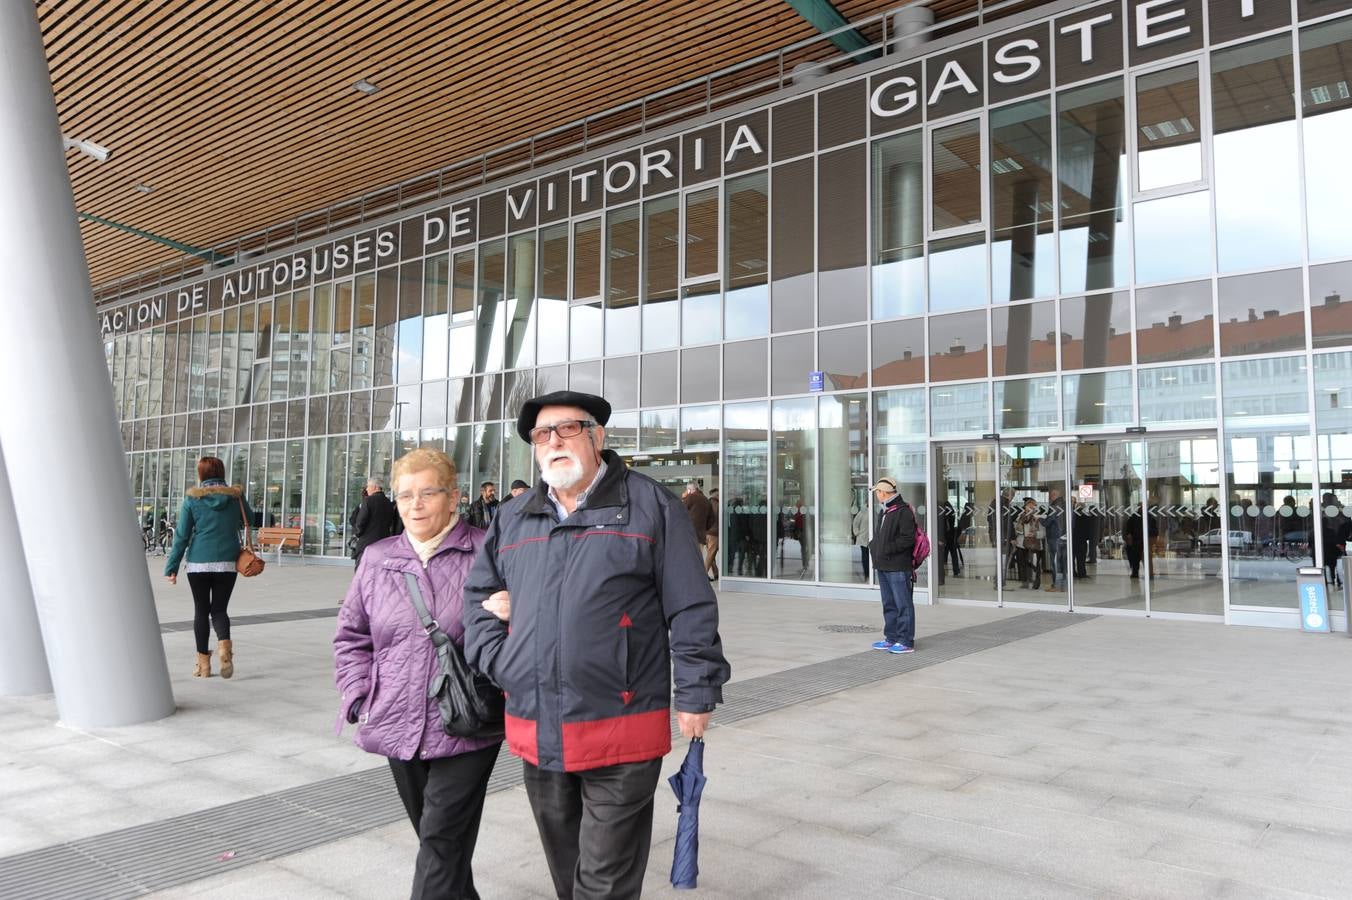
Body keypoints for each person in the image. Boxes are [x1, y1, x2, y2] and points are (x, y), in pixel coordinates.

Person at [463, 390, 730, 900]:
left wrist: (697, 690)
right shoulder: (513, 517)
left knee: (604, 883)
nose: (553, 442)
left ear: (596, 436)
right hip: (538, 724)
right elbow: (477, 600)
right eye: (542, 434)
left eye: (567, 429)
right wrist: (504, 663)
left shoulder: (651, 505)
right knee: (568, 874)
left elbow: (691, 605)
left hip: (622, 724)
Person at [334, 448, 501, 900]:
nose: (416, 505)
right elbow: (351, 636)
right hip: (396, 718)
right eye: (405, 495)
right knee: (438, 842)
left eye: (429, 492)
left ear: (454, 497)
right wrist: (359, 695)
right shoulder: (377, 558)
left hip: (468, 720)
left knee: (441, 839)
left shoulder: (487, 550)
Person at [164, 455, 253, 679]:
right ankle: (224, 647)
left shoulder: (193, 499)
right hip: (227, 563)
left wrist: (172, 567)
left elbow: (182, 536)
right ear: (222, 472)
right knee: (220, 610)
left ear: (201, 474)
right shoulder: (235, 497)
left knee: (201, 611)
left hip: (198, 564)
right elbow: (250, 520)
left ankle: (203, 666)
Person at [868, 476, 918, 654]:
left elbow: (908, 539)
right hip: (883, 564)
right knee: (889, 604)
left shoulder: (903, 511)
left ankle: (905, 641)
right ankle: (891, 638)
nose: (876, 495)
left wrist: (886, 549)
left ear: (883, 493)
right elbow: (879, 537)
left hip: (898, 566)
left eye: (877, 492)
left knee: (903, 604)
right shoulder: (885, 511)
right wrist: (875, 548)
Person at [352, 477, 398, 567]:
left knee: (362, 570)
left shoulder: (368, 501)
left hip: (366, 544)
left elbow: (360, 522)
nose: (366, 489)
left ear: (376, 487)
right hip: (383, 543)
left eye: (368, 486)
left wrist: (357, 534)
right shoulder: (389, 503)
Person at [682, 481, 717, 583]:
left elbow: (680, 512)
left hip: (689, 533)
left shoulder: (690, 498)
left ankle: (691, 578)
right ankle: (698, 577)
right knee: (697, 556)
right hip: (701, 535)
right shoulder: (706, 500)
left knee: (689, 556)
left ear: (690, 489)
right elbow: (711, 519)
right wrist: (704, 529)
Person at [1043, 488, 1066, 592]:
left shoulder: (1054, 506)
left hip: (1054, 537)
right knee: (1063, 562)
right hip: (1064, 536)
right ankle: (1063, 585)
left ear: (1053, 495)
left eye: (1050, 495)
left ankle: (1056, 585)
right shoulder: (1066, 505)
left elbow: (1048, 522)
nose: (1049, 497)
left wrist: (1039, 519)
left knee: (1055, 562)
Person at [1015, 497, 1041, 589]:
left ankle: (1035, 582)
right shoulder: (1021, 516)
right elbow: (1016, 528)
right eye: (1028, 506)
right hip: (1021, 543)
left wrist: (1035, 534)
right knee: (1022, 563)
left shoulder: (1038, 517)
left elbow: (1042, 532)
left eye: (1032, 506)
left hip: (1033, 543)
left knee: (1034, 564)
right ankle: (1024, 582)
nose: (1029, 508)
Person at [851, 502, 870, 580]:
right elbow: (855, 523)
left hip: (873, 539)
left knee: (871, 557)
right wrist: (857, 533)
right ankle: (867, 575)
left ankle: (870, 575)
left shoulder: (876, 510)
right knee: (865, 557)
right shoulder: (863, 512)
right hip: (863, 538)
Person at [706, 488, 721, 580]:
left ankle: (716, 573)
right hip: (714, 533)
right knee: (711, 554)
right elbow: (718, 519)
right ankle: (704, 574)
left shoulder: (707, 503)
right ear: (716, 495)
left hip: (707, 532)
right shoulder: (716, 504)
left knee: (711, 554)